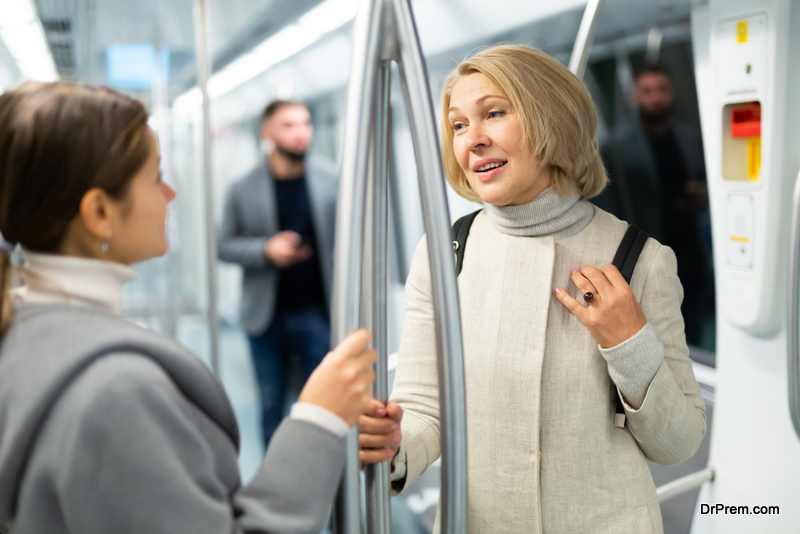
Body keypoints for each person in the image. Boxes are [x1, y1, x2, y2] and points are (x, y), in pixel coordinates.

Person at [0, 82, 376, 534]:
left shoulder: (24, 329)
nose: (170, 194)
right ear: (100, 212)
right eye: (155, 176)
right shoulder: (115, 392)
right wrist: (320, 418)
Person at [358, 45, 706, 533]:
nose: (471, 140)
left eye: (493, 114)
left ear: (552, 120)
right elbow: (424, 411)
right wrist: (393, 448)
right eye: (458, 125)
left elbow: (679, 444)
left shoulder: (640, 260)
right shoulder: (444, 254)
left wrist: (630, 343)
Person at [218, 100, 338, 446]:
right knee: (272, 405)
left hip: (318, 312)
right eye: (288, 125)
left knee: (323, 407)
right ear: (266, 133)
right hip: (266, 318)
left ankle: (326, 492)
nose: (300, 133)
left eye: (305, 123)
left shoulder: (331, 179)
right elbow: (223, 245)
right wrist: (265, 250)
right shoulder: (243, 187)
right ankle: (275, 493)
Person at [597, 64, 711, 347]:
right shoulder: (618, 147)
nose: (655, 98)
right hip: (649, 249)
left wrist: (701, 194)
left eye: (662, 90)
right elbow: (611, 204)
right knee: (660, 329)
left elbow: (706, 180)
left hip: (691, 246)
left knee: (694, 323)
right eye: (647, 91)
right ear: (635, 96)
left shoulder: (690, 137)